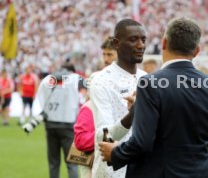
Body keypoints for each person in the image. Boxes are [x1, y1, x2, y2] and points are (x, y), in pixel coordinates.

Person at [99, 17, 208, 178]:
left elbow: (143, 142)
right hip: (198, 173)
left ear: (164, 43)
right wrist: (143, 106)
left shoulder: (150, 83)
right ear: (197, 51)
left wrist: (115, 153)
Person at [89, 18, 147, 178]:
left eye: (143, 39)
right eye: (133, 39)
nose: (141, 45)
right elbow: (103, 136)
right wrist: (132, 115)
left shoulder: (148, 79)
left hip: (143, 168)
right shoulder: (101, 80)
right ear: (116, 43)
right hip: (113, 171)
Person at [73, 36, 118, 178]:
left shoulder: (131, 79)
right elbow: (89, 105)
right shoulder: (95, 77)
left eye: (109, 54)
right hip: (93, 158)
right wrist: (106, 136)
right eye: (104, 54)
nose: (105, 58)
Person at [36, 64, 79, 178]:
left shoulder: (48, 82)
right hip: (69, 125)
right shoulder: (74, 81)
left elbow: (41, 98)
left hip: (51, 124)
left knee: (53, 163)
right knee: (72, 163)